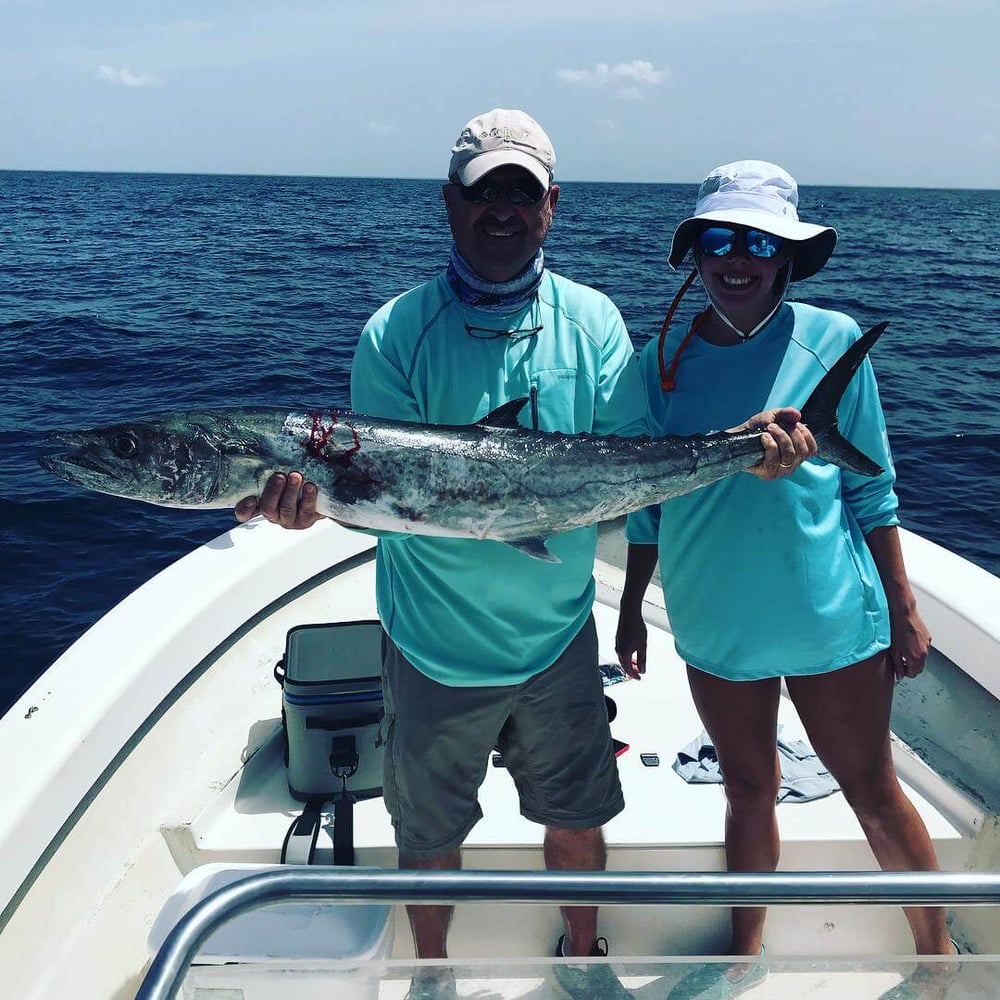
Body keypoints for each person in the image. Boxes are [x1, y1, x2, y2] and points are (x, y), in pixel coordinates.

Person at [236, 120, 813, 998]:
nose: (500, 209)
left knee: (577, 820)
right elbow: (384, 493)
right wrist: (310, 508)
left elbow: (631, 457)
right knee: (428, 834)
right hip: (433, 645)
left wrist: (736, 448)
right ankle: (431, 973)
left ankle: (581, 960)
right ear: (449, 203)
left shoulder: (592, 320)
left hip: (555, 639)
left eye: (519, 192)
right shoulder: (395, 333)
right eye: (482, 191)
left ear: (551, 208)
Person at [615, 160, 954, 999]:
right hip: (712, 615)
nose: (739, 258)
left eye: (760, 242)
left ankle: (940, 960)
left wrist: (904, 609)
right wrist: (629, 606)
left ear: (789, 255)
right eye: (720, 239)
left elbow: (871, 486)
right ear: (695, 251)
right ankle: (744, 952)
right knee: (746, 788)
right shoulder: (655, 361)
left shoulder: (832, 343)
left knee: (873, 790)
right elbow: (642, 502)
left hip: (826, 616)